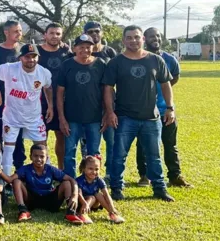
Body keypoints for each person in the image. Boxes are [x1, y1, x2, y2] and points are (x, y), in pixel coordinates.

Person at [102, 25, 176, 203]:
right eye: (129, 37)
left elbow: (166, 84)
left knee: (154, 156)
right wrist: (110, 112)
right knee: (119, 156)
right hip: (125, 117)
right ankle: (117, 188)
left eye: (136, 37)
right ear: (123, 40)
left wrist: (170, 107)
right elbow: (108, 88)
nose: (133, 40)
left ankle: (159, 188)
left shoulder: (156, 60)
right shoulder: (116, 62)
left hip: (151, 117)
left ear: (142, 39)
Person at [136, 27, 189, 188]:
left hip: (165, 108)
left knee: (169, 143)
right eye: (152, 36)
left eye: (158, 36)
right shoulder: (138, 59)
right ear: (145, 39)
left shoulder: (170, 59)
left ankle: (175, 176)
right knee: (144, 144)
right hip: (145, 110)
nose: (155, 39)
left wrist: (165, 97)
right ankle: (144, 175)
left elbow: (174, 79)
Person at [0, 43, 52, 177]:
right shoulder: (9, 69)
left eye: (34, 56)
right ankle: (5, 181)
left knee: (42, 147)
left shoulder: (44, 72)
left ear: (38, 57)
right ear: (20, 58)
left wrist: (51, 106)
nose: (31, 60)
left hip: (34, 118)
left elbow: (48, 87)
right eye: (27, 57)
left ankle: (48, 177)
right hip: (12, 118)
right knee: (8, 149)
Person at [55, 34, 107, 177]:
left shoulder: (100, 64)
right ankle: (70, 182)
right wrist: (62, 118)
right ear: (75, 48)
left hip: (94, 118)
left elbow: (106, 91)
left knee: (94, 153)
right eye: (81, 47)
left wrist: (107, 113)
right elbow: (59, 93)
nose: (85, 50)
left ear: (93, 47)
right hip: (72, 118)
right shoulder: (67, 65)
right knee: (69, 153)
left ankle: (91, 182)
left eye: (88, 47)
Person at [7, 143, 80, 224]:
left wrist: (75, 196)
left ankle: (70, 212)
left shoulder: (51, 169)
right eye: (35, 156)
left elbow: (72, 180)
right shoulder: (25, 169)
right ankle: (23, 211)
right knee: (16, 181)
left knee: (67, 183)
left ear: (47, 158)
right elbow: (9, 179)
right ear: (30, 156)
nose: (38, 159)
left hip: (50, 200)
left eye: (42, 156)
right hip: (31, 200)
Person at [0, 20, 25, 171]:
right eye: (16, 31)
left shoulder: (24, 50)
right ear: (6, 32)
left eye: (20, 31)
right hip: (0, 101)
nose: (20, 33)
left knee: (18, 137)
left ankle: (19, 170)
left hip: (19, 102)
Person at [37, 23, 71, 166]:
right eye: (51, 33)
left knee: (61, 136)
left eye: (58, 34)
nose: (54, 36)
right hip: (40, 102)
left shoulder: (66, 53)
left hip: (61, 101)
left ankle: (61, 168)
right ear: (45, 35)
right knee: (41, 138)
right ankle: (44, 168)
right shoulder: (37, 52)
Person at [84, 20, 116, 162]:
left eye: (97, 31)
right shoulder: (80, 52)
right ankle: (88, 174)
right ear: (85, 34)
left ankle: (111, 173)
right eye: (90, 32)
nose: (94, 34)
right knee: (88, 144)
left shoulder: (109, 52)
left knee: (112, 141)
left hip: (109, 104)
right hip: (88, 105)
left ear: (102, 33)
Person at [76, 155, 124, 225]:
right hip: (81, 204)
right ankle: (82, 214)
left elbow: (106, 195)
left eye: (96, 169)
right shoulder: (79, 180)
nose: (94, 172)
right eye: (90, 169)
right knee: (92, 197)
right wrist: (85, 204)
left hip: (94, 205)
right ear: (84, 169)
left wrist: (112, 208)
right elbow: (79, 195)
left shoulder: (99, 180)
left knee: (98, 194)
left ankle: (112, 213)